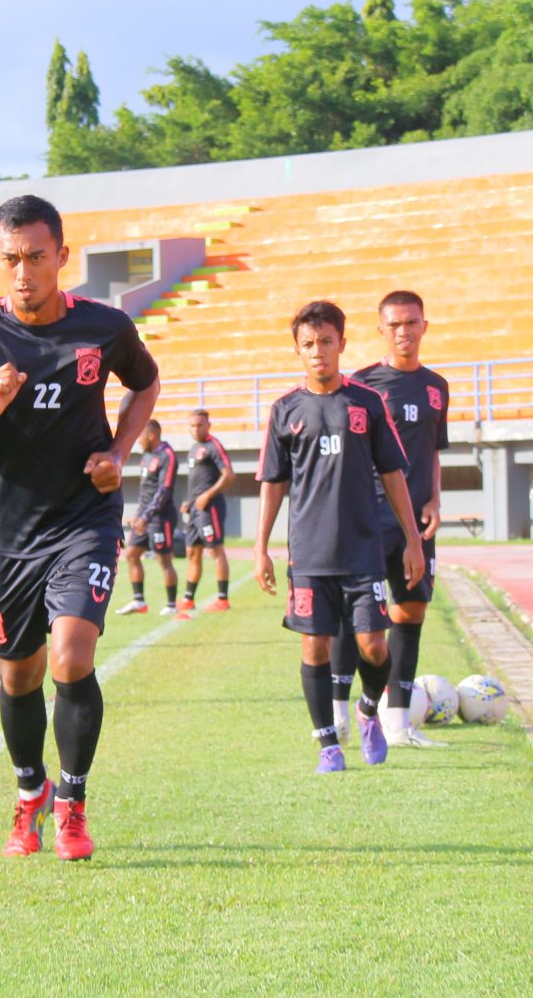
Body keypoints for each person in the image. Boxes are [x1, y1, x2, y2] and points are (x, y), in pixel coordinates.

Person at [0, 194, 161, 861]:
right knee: (20, 676)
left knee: (71, 657)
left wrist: (117, 453)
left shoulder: (106, 327)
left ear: (62, 254)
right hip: (9, 535)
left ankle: (73, 805)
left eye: (36, 256)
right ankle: (31, 790)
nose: (24, 271)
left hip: (84, 519)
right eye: (10, 260)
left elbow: (145, 384)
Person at [252, 301, 423, 773]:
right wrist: (261, 547)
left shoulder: (367, 403)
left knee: (373, 646)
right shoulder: (285, 410)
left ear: (342, 344)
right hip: (308, 556)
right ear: (297, 350)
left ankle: (369, 710)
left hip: (363, 551)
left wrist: (411, 540)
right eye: (308, 344)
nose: (318, 352)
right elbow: (273, 484)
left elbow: (393, 475)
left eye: (326, 342)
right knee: (315, 647)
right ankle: (328, 744)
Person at [329, 292, 452, 748]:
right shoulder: (359, 386)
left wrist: (436, 501)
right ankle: (340, 713)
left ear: (425, 325)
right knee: (353, 615)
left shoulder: (437, 386)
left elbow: (432, 454)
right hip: (366, 517)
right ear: (381, 330)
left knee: (410, 612)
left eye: (412, 323)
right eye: (395, 324)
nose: (404, 332)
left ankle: (398, 724)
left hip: (416, 521)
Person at [119, 419, 181, 616]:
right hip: (143, 518)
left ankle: (171, 605)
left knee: (164, 560)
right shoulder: (146, 456)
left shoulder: (167, 455)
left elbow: (164, 491)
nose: (138, 440)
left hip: (160, 518)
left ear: (152, 435)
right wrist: (139, 515)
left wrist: (146, 516)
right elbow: (145, 491)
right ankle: (139, 602)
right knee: (131, 554)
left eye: (141, 435)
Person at [179, 409, 233, 612]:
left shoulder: (213, 445)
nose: (196, 429)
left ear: (208, 425)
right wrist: (190, 501)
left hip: (210, 508)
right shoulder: (194, 448)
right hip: (195, 509)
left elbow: (229, 476)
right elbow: (199, 481)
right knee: (193, 552)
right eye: (192, 425)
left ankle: (222, 599)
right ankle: (188, 599)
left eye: (200, 425)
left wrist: (207, 496)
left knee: (215, 550)